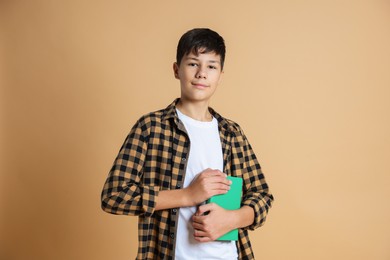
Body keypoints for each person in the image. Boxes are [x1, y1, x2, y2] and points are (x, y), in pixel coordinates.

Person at [101, 28, 274, 260]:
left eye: (211, 66)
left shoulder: (232, 133)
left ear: (220, 75)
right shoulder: (151, 127)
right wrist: (187, 195)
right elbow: (114, 196)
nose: (202, 73)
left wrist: (232, 219)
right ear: (176, 69)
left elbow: (262, 195)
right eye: (193, 64)